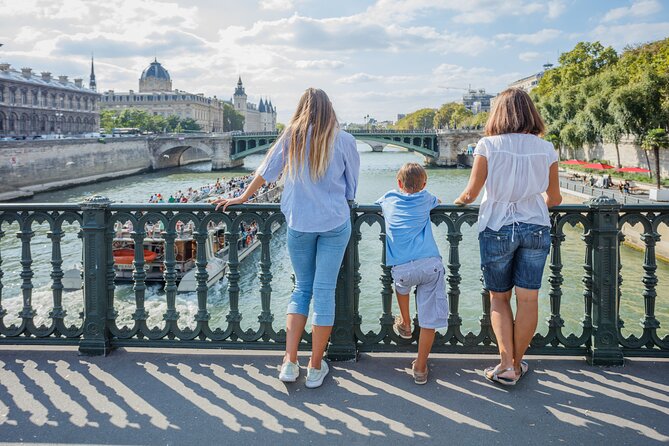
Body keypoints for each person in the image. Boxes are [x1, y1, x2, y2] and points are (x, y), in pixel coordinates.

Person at [213, 88, 360, 389]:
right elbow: (352, 187)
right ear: (330, 109)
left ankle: (289, 363)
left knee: (301, 290)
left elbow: (266, 172)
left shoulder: (291, 136)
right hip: (334, 222)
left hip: (300, 223)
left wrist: (242, 196)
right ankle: (316, 367)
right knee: (324, 292)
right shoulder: (344, 139)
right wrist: (341, 199)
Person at [454, 87, 562, 386]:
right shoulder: (547, 148)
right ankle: (517, 363)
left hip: (497, 227)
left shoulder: (487, 145)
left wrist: (458, 201)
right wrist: (531, 201)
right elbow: (554, 197)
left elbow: (471, 193)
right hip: (536, 227)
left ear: (497, 113)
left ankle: (505, 366)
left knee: (499, 299)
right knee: (528, 300)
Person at [376, 162, 448, 385]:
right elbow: (439, 201)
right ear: (424, 184)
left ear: (399, 183)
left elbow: (377, 204)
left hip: (403, 268)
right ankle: (420, 367)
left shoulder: (388, 198)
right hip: (430, 266)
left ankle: (405, 323)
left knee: (401, 287)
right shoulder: (427, 198)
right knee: (428, 320)